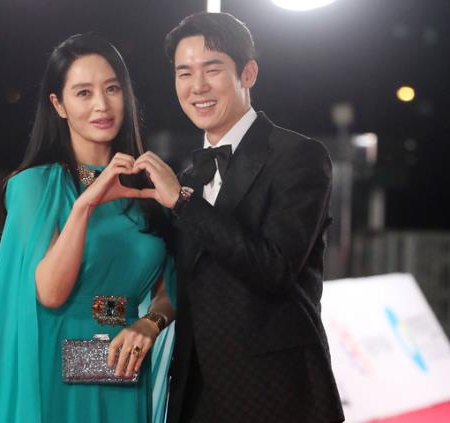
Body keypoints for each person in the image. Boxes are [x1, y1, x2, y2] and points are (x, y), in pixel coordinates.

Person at [133, 12, 345, 423]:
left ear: (248, 73)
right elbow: (174, 280)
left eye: (212, 69)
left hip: (277, 395)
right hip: (195, 397)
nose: (197, 87)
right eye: (184, 73)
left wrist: (183, 203)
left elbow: (274, 267)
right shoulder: (187, 178)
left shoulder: (298, 156)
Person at [0, 34, 175, 423]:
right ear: (58, 105)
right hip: (54, 369)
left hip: (123, 367)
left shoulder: (149, 185)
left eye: (112, 88)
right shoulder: (36, 186)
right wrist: (85, 204)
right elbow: (49, 292)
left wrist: (151, 323)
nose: (102, 104)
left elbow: (175, 285)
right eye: (83, 93)